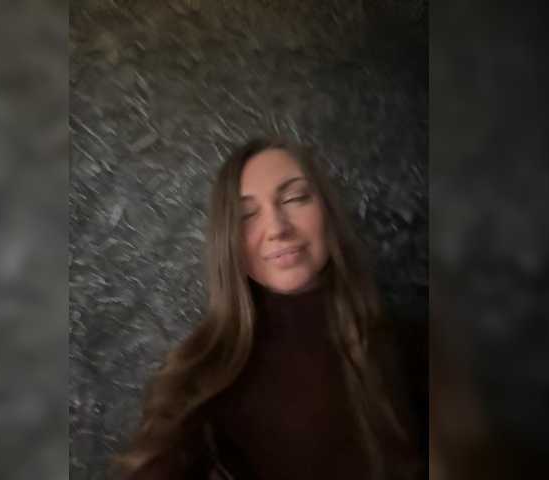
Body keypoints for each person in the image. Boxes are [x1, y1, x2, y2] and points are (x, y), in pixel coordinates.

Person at [114, 137, 423, 479]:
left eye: (294, 198)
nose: (277, 228)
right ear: (228, 241)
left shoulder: (412, 346)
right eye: (247, 215)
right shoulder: (202, 373)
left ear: (328, 213)